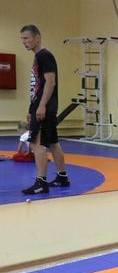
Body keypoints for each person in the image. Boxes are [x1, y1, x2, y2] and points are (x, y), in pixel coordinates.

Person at [19, 25, 70, 194]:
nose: (24, 42)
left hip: (45, 106)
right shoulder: (39, 57)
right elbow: (37, 86)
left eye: (26, 38)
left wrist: (41, 105)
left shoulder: (44, 56)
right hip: (43, 105)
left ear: (37, 38)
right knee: (53, 142)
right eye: (22, 39)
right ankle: (62, 177)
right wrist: (31, 108)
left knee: (36, 143)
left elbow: (50, 82)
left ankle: (41, 182)